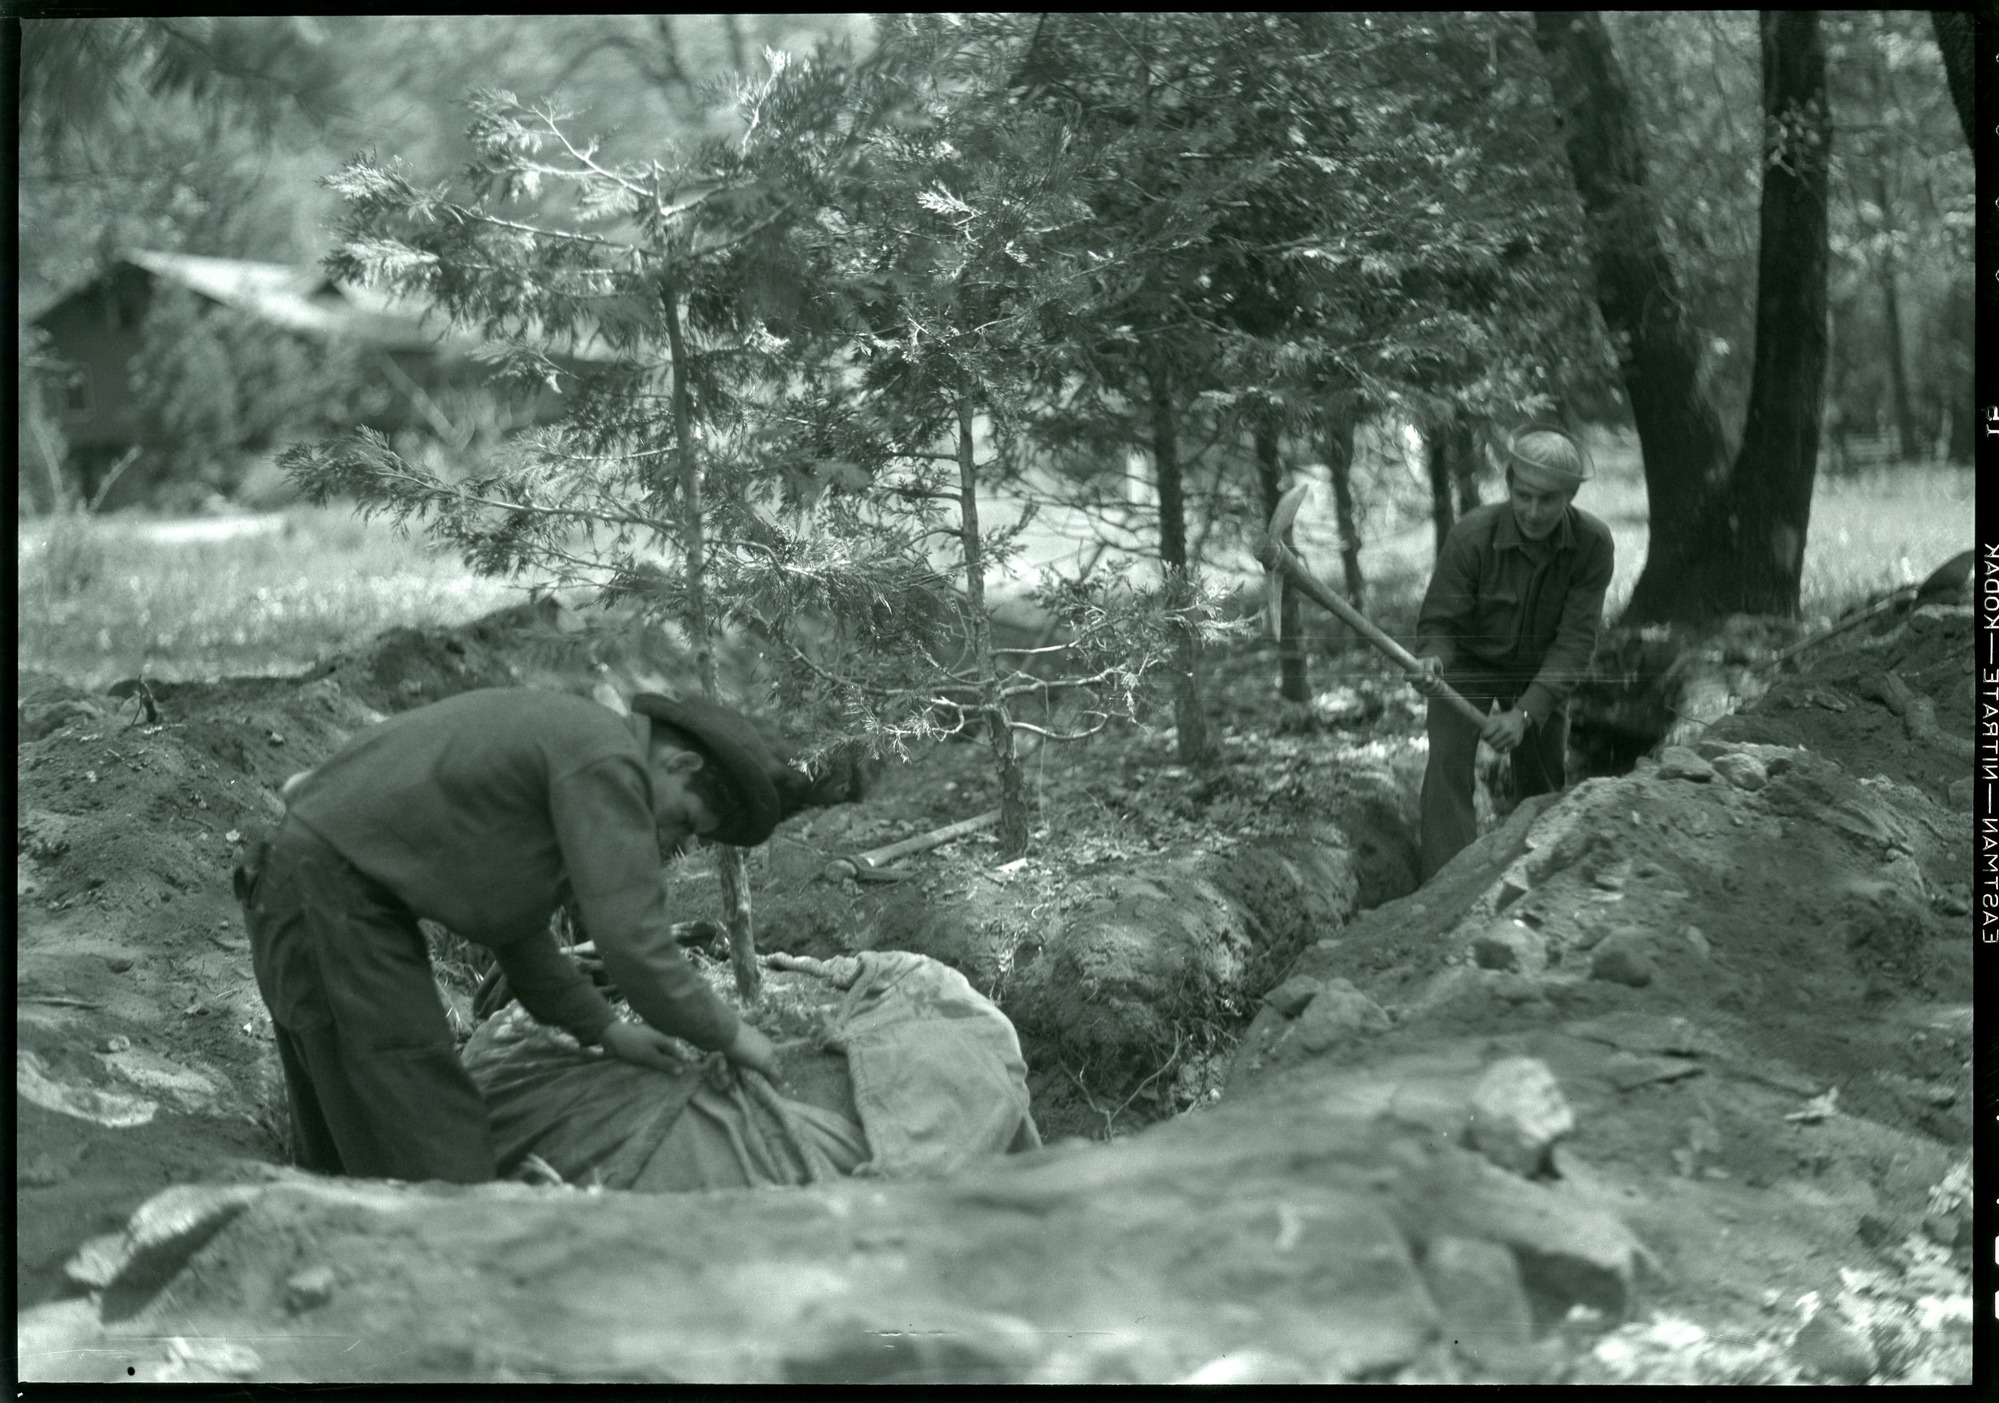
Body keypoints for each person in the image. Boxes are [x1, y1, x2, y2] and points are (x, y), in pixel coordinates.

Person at [235, 687, 802, 1183]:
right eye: (683, 819)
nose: (670, 838)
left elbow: (513, 928)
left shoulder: (574, 742)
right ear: (680, 764)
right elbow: (635, 946)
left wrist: (604, 1029)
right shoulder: (606, 760)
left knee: (348, 1144)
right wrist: (733, 1036)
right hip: (332, 909)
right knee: (440, 1156)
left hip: (311, 896)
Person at [1410, 427, 1614, 883]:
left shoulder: (1592, 544)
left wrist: (1525, 714)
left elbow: (1576, 643)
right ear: (1508, 484)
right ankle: (1443, 888)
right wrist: (1432, 661)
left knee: (1543, 780)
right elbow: (1440, 622)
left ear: (1571, 496)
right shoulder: (1472, 536)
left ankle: (1538, 879)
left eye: (1549, 500)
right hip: (1467, 666)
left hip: (1539, 673)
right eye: (1524, 496)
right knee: (1445, 769)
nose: (1534, 511)